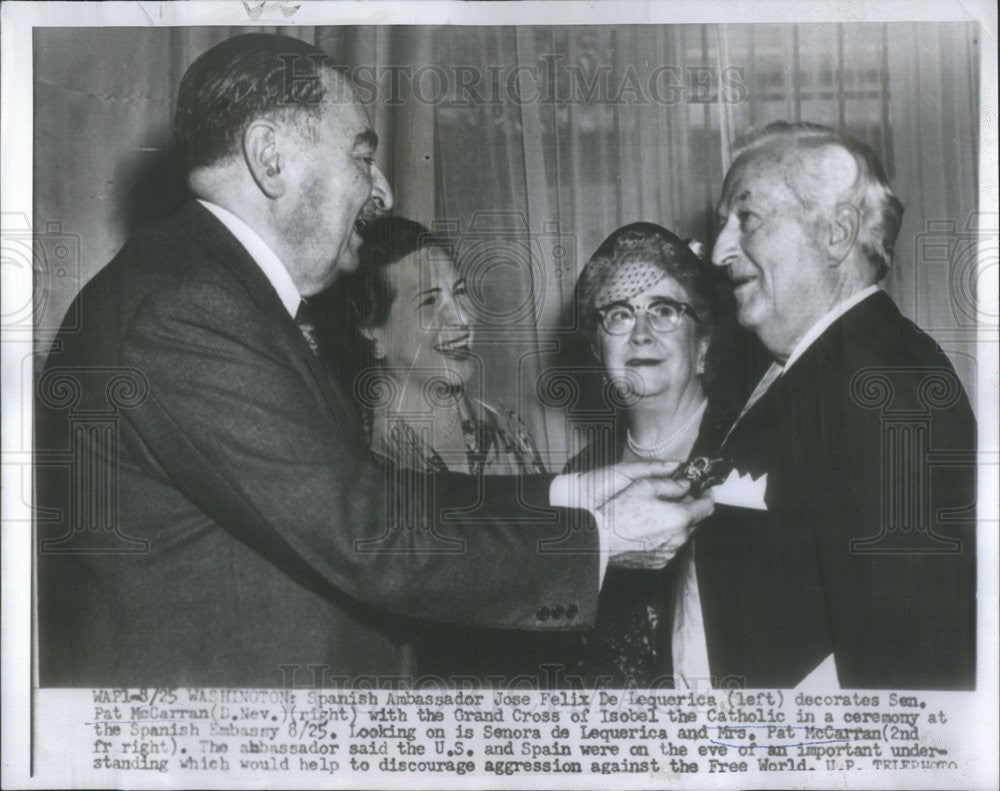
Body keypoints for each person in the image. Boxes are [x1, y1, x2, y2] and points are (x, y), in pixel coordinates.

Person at [34, 33, 712, 688]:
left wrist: (568, 494)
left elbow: (369, 494)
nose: (382, 191)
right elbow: (366, 533)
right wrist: (600, 538)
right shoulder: (188, 309)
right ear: (270, 157)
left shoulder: (205, 288)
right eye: (361, 155)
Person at [685, 121, 977, 689]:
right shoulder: (814, 367)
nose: (719, 251)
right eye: (723, 224)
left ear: (837, 233)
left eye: (747, 219)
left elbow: (911, 679)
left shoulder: (883, 387)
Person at [562, 222, 737, 686]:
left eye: (663, 311)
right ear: (599, 348)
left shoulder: (747, 452)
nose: (640, 333)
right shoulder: (580, 475)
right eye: (619, 315)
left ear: (703, 344)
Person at [344, 215, 546, 476]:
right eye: (430, 302)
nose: (462, 319)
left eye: (460, 292)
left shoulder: (503, 425)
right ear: (374, 332)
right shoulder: (354, 452)